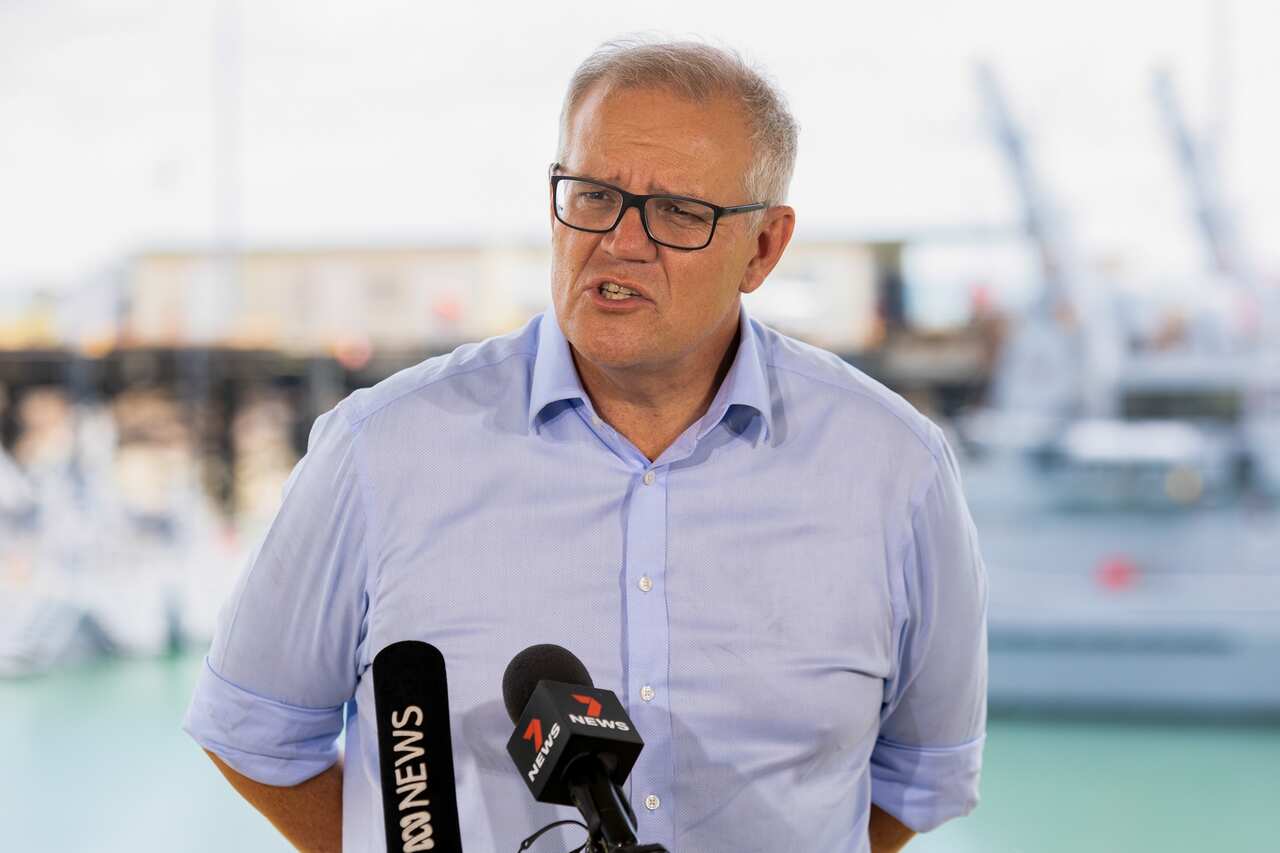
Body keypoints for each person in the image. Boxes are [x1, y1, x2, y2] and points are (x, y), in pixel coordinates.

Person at [184, 38, 987, 853]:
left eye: (678, 211)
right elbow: (254, 733)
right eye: (595, 194)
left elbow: (920, 776)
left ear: (763, 248)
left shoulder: (898, 472)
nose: (621, 241)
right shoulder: (377, 451)